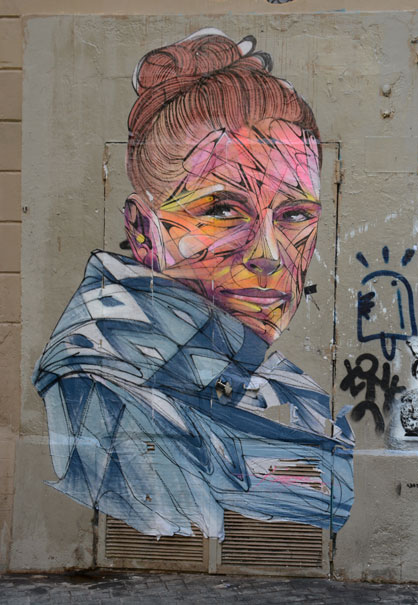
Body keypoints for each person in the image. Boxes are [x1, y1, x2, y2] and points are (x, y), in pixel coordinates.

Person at [32, 30, 354, 541]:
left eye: (295, 215)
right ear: (144, 232)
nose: (269, 256)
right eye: (222, 210)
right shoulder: (110, 392)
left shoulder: (247, 370)